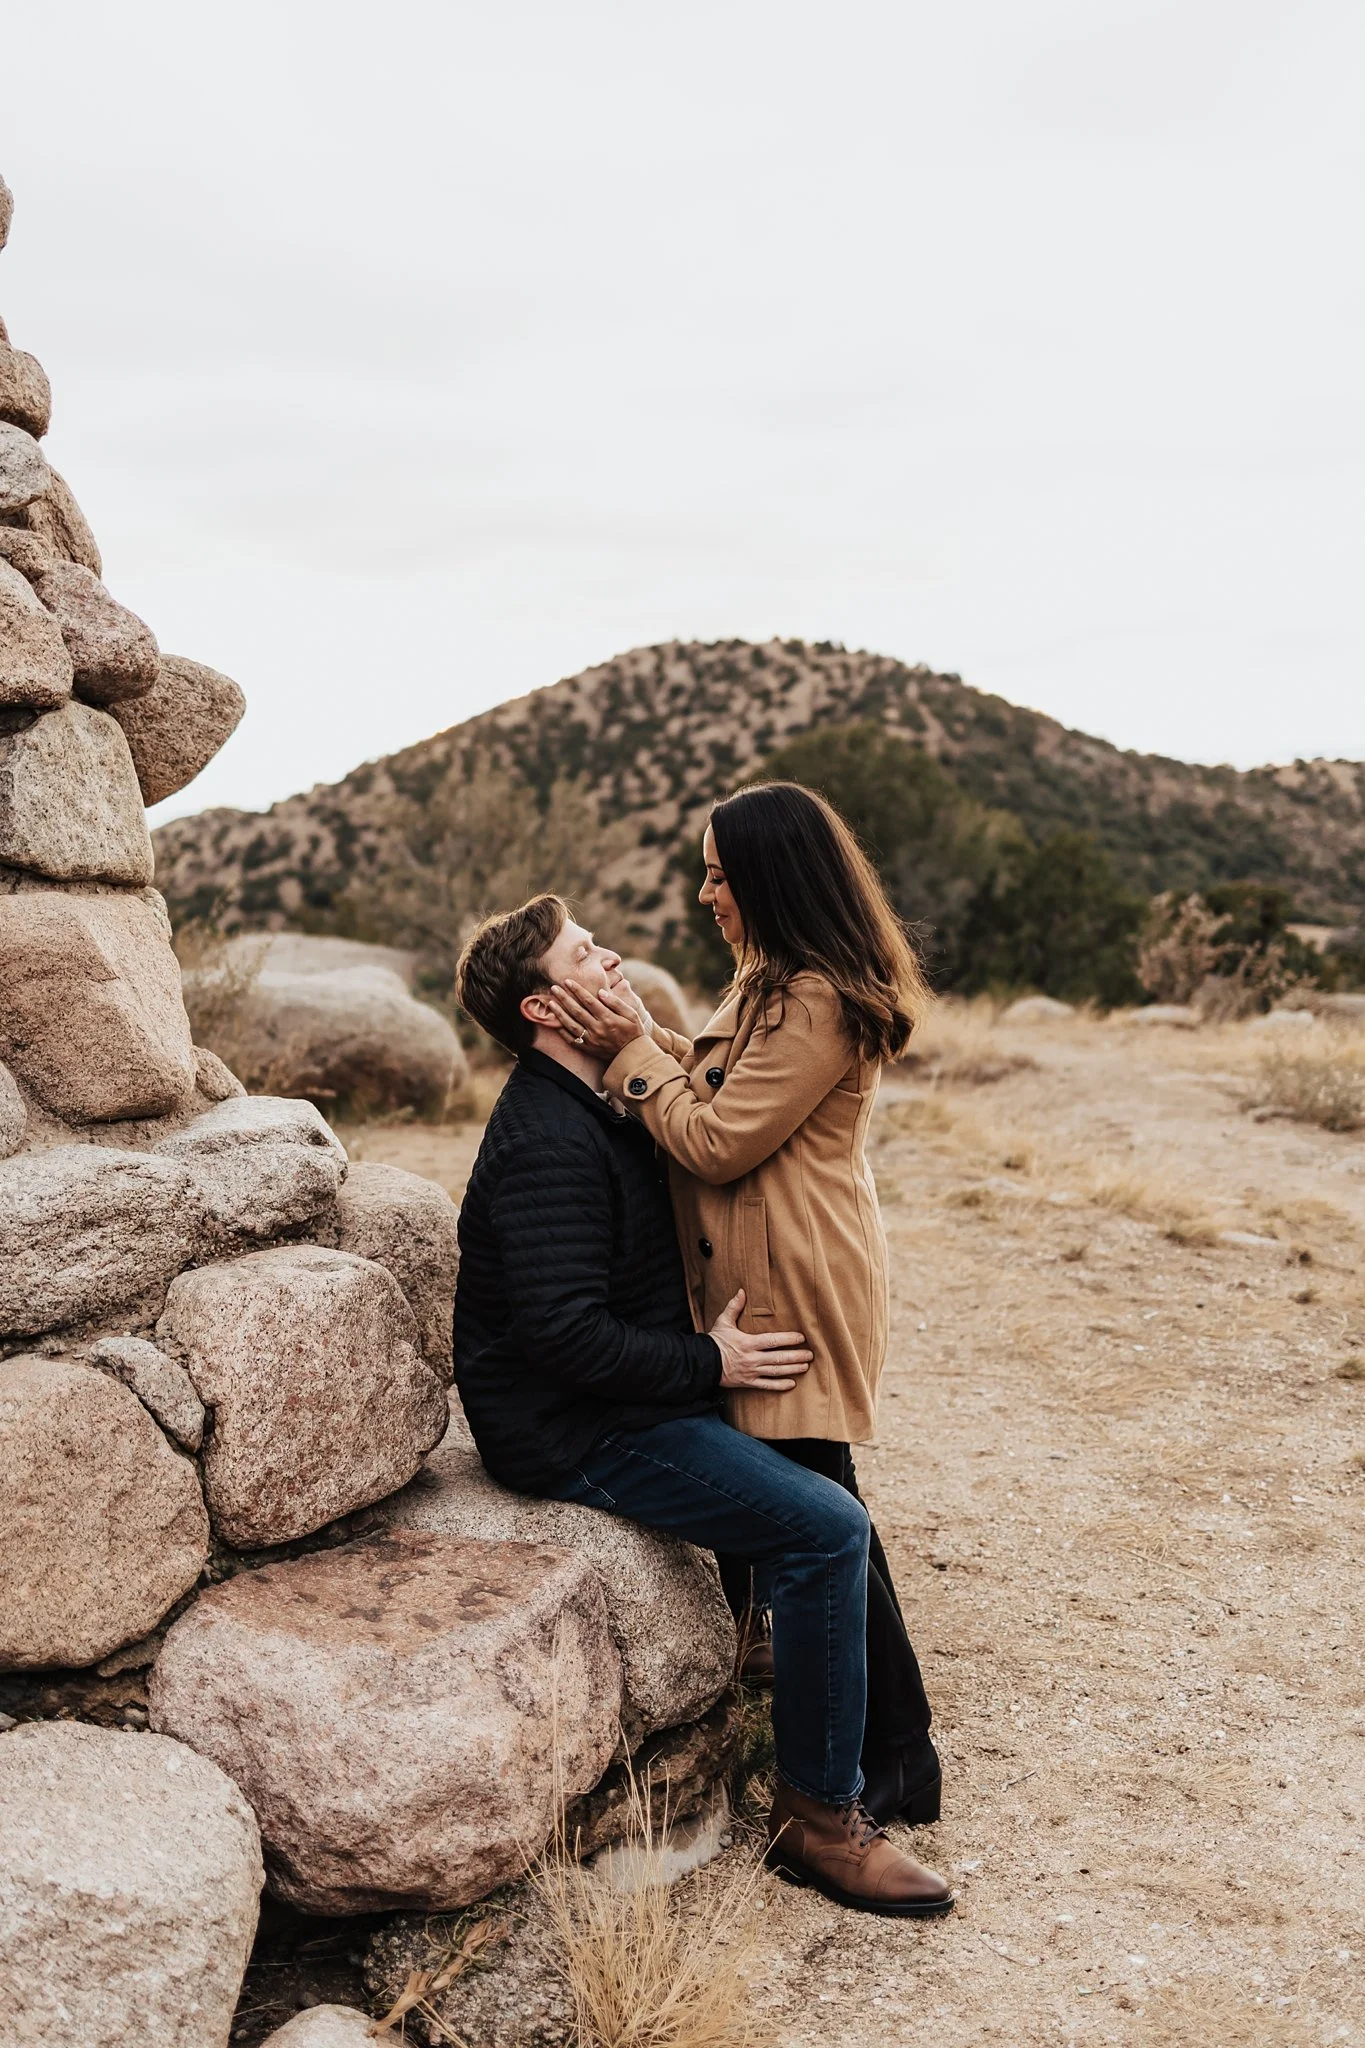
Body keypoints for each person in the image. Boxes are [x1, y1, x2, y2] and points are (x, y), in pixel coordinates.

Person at [451, 892, 953, 1918]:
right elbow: (562, 1337)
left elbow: (713, 1133)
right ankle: (818, 1820)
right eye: (587, 956)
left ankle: (853, 1724)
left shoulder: (604, 1100)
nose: (613, 959)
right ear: (544, 1009)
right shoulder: (546, 1135)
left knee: (819, 1474)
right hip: (572, 1427)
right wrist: (708, 1359)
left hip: (626, 1396)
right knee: (825, 1527)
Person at [545, 781, 941, 1829]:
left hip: (793, 1274)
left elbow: (720, 1139)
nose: (706, 892)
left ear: (770, 877)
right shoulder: (774, 980)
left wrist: (627, 1054)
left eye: (720, 874)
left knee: (820, 1502)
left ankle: (898, 1753)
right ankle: (873, 1734)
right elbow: (721, 1084)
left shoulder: (816, 997)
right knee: (820, 1500)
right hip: (761, 1268)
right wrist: (644, 1034)